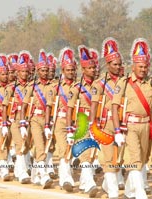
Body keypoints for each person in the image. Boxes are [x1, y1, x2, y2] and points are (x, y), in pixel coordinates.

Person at [112, 38, 152, 199]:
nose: (144, 70)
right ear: (133, 67)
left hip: (146, 126)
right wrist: (117, 131)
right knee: (136, 159)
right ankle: (140, 193)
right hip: (130, 126)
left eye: (146, 67)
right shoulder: (124, 83)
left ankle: (130, 192)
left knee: (143, 160)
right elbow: (114, 106)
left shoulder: (151, 83)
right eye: (140, 67)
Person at [89, 37, 122, 199]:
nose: (118, 67)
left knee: (121, 158)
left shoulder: (125, 81)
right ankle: (114, 192)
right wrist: (92, 125)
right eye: (114, 64)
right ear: (108, 65)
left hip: (123, 123)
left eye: (119, 64)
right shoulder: (100, 83)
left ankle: (107, 184)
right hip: (106, 123)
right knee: (109, 157)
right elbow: (94, 105)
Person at [66, 45, 98, 197]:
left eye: (94, 67)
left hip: (98, 122)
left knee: (95, 154)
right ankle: (90, 183)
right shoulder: (76, 88)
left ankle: (86, 183)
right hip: (82, 121)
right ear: (84, 70)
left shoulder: (100, 85)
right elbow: (70, 108)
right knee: (85, 153)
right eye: (90, 68)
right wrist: (69, 129)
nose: (93, 70)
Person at [20, 49, 53, 188]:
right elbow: (24, 105)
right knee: (39, 146)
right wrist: (22, 124)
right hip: (34, 119)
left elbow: (51, 106)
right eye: (42, 70)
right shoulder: (32, 86)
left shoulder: (53, 86)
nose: (45, 73)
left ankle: (36, 174)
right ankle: (44, 175)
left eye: (47, 70)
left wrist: (47, 125)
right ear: (38, 71)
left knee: (44, 146)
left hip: (47, 120)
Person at [2, 51, 32, 184]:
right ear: (17, 72)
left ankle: (20, 170)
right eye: (22, 71)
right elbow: (4, 106)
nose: (25, 74)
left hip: (29, 118)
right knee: (20, 144)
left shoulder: (32, 86)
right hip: (15, 119)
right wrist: (4, 124)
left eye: (26, 71)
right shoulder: (11, 87)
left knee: (27, 145)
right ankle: (22, 173)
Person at [51, 47, 76, 192]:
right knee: (63, 149)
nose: (71, 72)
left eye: (72, 70)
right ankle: (66, 178)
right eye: (68, 70)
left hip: (74, 121)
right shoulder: (56, 87)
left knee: (71, 150)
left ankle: (64, 176)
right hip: (60, 121)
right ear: (63, 70)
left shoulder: (79, 87)